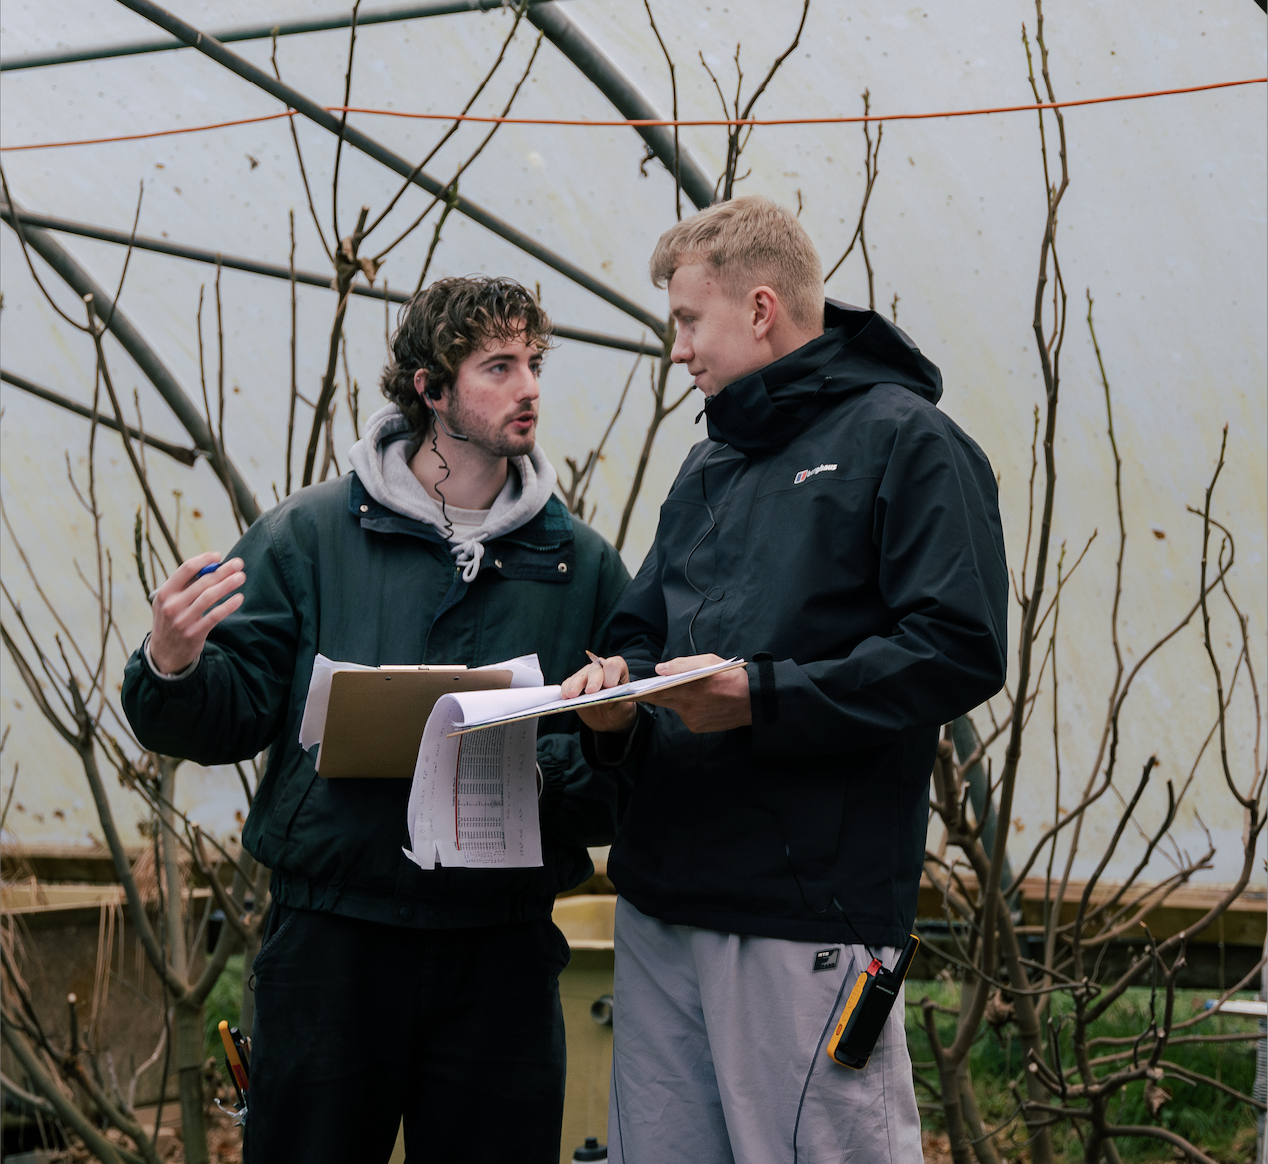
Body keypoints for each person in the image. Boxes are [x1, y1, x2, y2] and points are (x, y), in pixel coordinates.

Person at [122, 276, 630, 1164]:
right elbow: (226, 716)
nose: (530, 388)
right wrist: (172, 663)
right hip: (332, 941)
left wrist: (602, 742)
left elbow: (609, 784)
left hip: (501, 950)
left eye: (535, 364)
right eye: (498, 366)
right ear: (431, 389)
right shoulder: (309, 536)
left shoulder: (576, 564)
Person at [563, 196, 1008, 1162]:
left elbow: (957, 646)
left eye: (689, 321)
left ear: (760, 308)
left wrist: (761, 700)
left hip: (807, 912)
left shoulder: (910, 442)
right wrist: (614, 701)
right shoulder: (710, 466)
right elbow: (639, 634)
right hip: (662, 897)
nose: (677, 350)